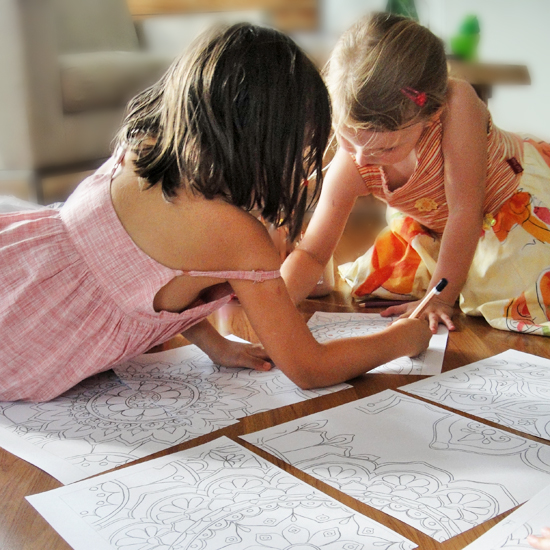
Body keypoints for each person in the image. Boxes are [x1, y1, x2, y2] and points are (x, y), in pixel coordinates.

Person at [0, 23, 431, 402]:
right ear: (264, 147)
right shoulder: (239, 237)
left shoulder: (142, 148)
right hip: (23, 351)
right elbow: (308, 367)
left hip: (17, 268)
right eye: (297, 151)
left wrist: (215, 345)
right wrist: (398, 340)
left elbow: (152, 284)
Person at [281, 12, 550, 336]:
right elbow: (312, 253)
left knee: (528, 294)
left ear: (430, 114)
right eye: (347, 138)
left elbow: (465, 212)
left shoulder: (456, 105)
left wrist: (441, 298)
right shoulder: (356, 157)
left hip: (508, 211)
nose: (362, 158)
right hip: (439, 227)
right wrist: (273, 307)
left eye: (385, 149)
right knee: (374, 286)